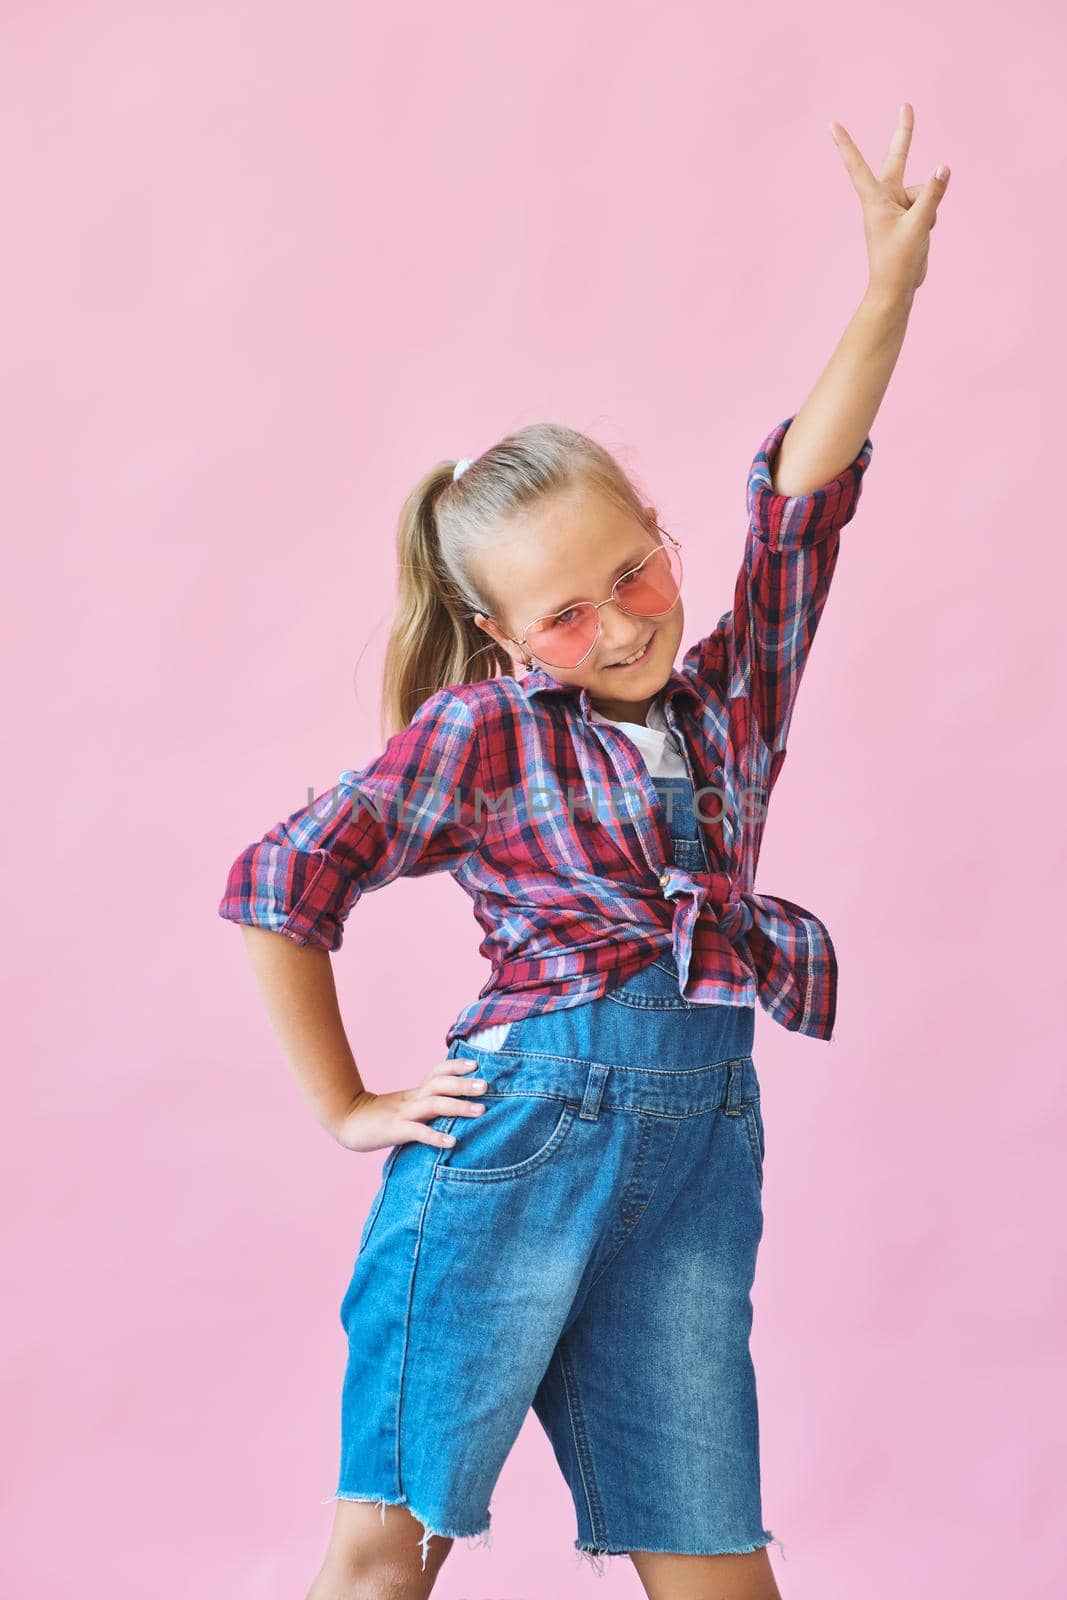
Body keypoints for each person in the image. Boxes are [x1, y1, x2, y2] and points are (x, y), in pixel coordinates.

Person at [217, 106, 949, 1600]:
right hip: (517, 1149)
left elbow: (802, 512)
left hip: (692, 1164)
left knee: (715, 1566)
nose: (618, 628)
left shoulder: (732, 698)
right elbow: (280, 881)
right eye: (566, 614)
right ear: (500, 635)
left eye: (635, 575)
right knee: (384, 1555)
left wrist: (885, 294)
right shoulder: (483, 730)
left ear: (664, 541)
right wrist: (348, 1104)